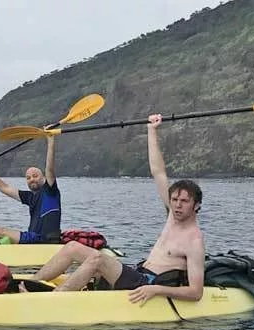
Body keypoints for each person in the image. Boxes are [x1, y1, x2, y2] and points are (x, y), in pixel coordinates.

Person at [19, 114, 205, 304]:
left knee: (98, 260)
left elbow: (196, 292)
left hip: (148, 284)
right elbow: (158, 171)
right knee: (73, 247)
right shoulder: (172, 217)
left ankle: (48, 302)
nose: (177, 205)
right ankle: (30, 283)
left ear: (196, 205)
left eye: (184, 201)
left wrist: (155, 289)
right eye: (174, 199)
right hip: (139, 274)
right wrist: (151, 130)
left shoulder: (194, 240)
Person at [0, 135, 61, 244]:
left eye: (35, 176)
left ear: (43, 177)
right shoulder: (30, 197)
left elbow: (50, 169)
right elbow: (4, 188)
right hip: (32, 238)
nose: (31, 179)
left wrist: (50, 139)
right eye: (28, 178)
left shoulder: (50, 191)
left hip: (43, 240)